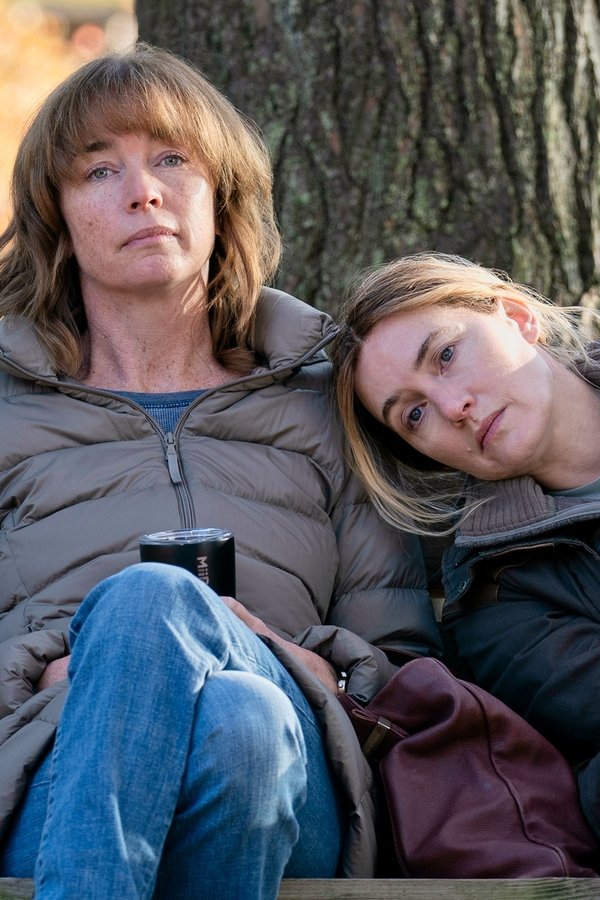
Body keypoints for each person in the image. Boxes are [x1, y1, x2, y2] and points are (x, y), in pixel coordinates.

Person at [0, 45, 442, 898]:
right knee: (233, 716)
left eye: (173, 159)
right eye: (100, 170)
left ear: (221, 193)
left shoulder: (323, 400)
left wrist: (297, 658)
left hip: (300, 787)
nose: (143, 191)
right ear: (59, 214)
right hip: (55, 771)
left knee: (189, 638)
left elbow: (397, 663)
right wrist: (58, 671)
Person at [331, 251, 600, 842]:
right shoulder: (498, 599)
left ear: (517, 316)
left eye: (446, 355)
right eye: (415, 414)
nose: (454, 409)